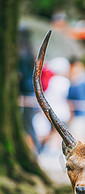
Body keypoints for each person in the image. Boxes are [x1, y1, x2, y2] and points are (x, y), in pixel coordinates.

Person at [18, 25, 41, 154]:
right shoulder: (31, 51)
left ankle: (36, 150)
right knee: (28, 124)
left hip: (26, 93)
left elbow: (21, 75)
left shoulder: (22, 53)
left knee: (27, 124)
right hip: (30, 92)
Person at [67, 59, 85, 142]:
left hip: (82, 117)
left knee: (81, 139)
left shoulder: (84, 83)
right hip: (78, 117)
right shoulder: (73, 85)